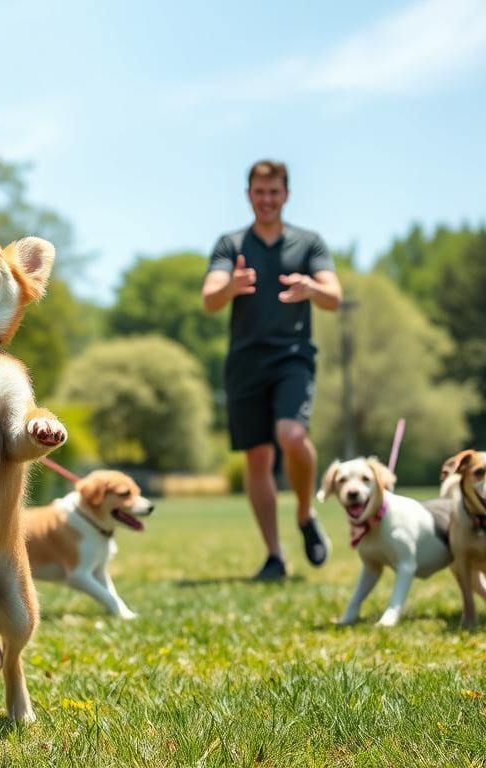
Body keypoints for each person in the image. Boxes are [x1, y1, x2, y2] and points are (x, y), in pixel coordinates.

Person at [202, 160, 342, 581]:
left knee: (292, 434)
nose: (267, 200)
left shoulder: (309, 243)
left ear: (286, 194)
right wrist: (231, 285)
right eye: (260, 192)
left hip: (292, 357)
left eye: (274, 192)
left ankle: (303, 512)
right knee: (258, 459)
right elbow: (210, 298)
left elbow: (334, 296)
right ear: (249, 195)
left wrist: (311, 288)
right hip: (245, 362)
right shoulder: (231, 244)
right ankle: (275, 555)